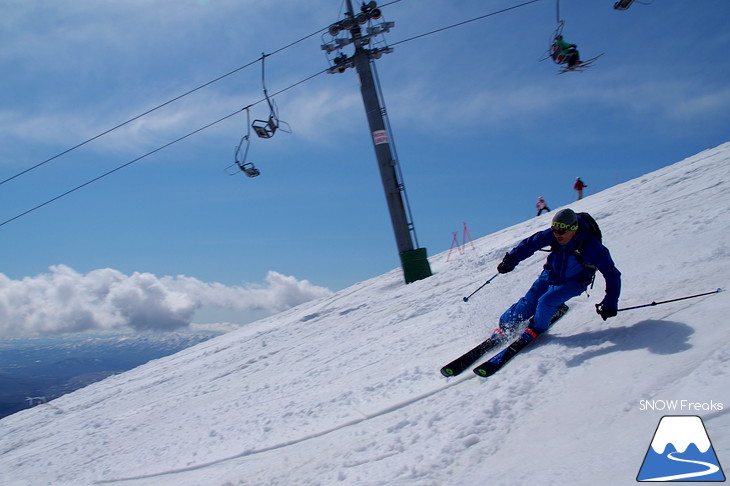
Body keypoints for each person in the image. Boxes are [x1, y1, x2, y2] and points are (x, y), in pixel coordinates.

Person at [492, 209, 621, 347]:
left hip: (575, 281)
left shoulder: (591, 247)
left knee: (546, 301)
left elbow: (611, 274)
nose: (557, 235)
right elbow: (531, 244)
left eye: (561, 232)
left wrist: (610, 302)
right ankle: (506, 325)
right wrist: (510, 260)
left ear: (573, 229)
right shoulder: (554, 234)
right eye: (554, 230)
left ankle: (536, 328)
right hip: (550, 274)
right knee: (528, 303)